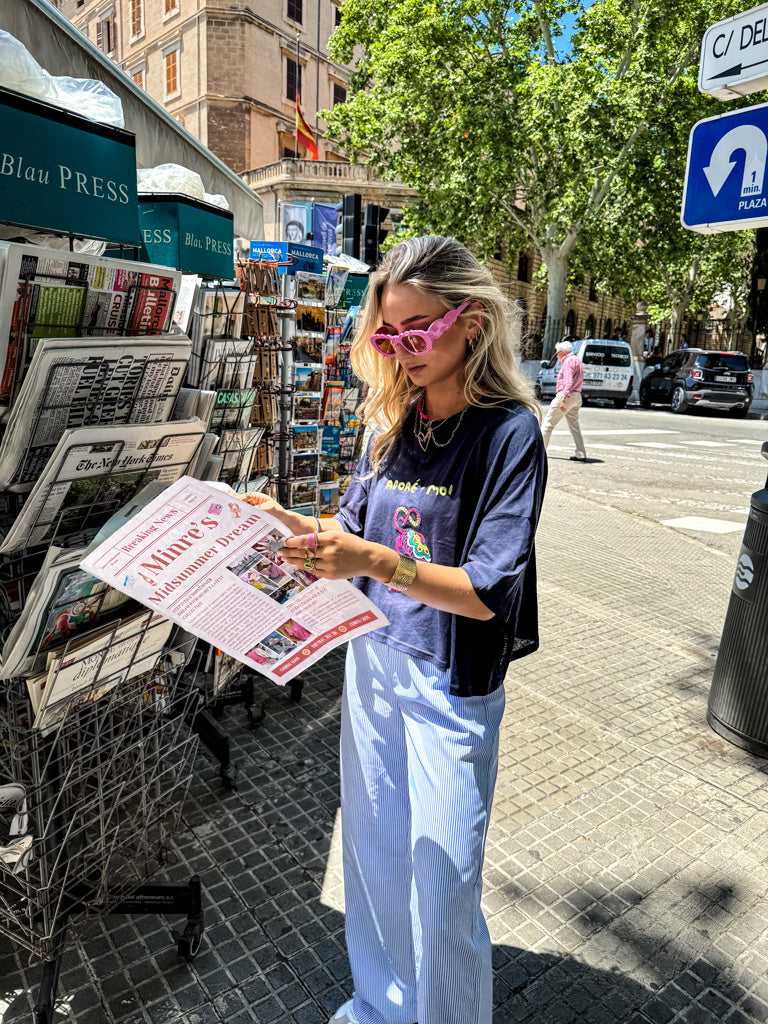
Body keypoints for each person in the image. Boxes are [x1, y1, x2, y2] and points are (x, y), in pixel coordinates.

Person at [243, 235, 546, 1024]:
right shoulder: (390, 425)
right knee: (375, 864)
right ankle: (380, 1007)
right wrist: (284, 525)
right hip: (373, 659)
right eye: (387, 336)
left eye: (418, 333)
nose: (401, 352)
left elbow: (488, 590)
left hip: (452, 682)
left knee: (442, 883)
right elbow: (344, 531)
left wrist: (374, 558)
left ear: (470, 323)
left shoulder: (509, 435)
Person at [540, 339, 587, 461]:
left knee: (548, 424)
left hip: (567, 395)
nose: (556, 355)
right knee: (574, 426)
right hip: (577, 396)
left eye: (557, 352)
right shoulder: (576, 360)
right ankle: (580, 453)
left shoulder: (568, 362)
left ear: (562, 352)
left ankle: (540, 452)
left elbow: (569, 381)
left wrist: (563, 399)